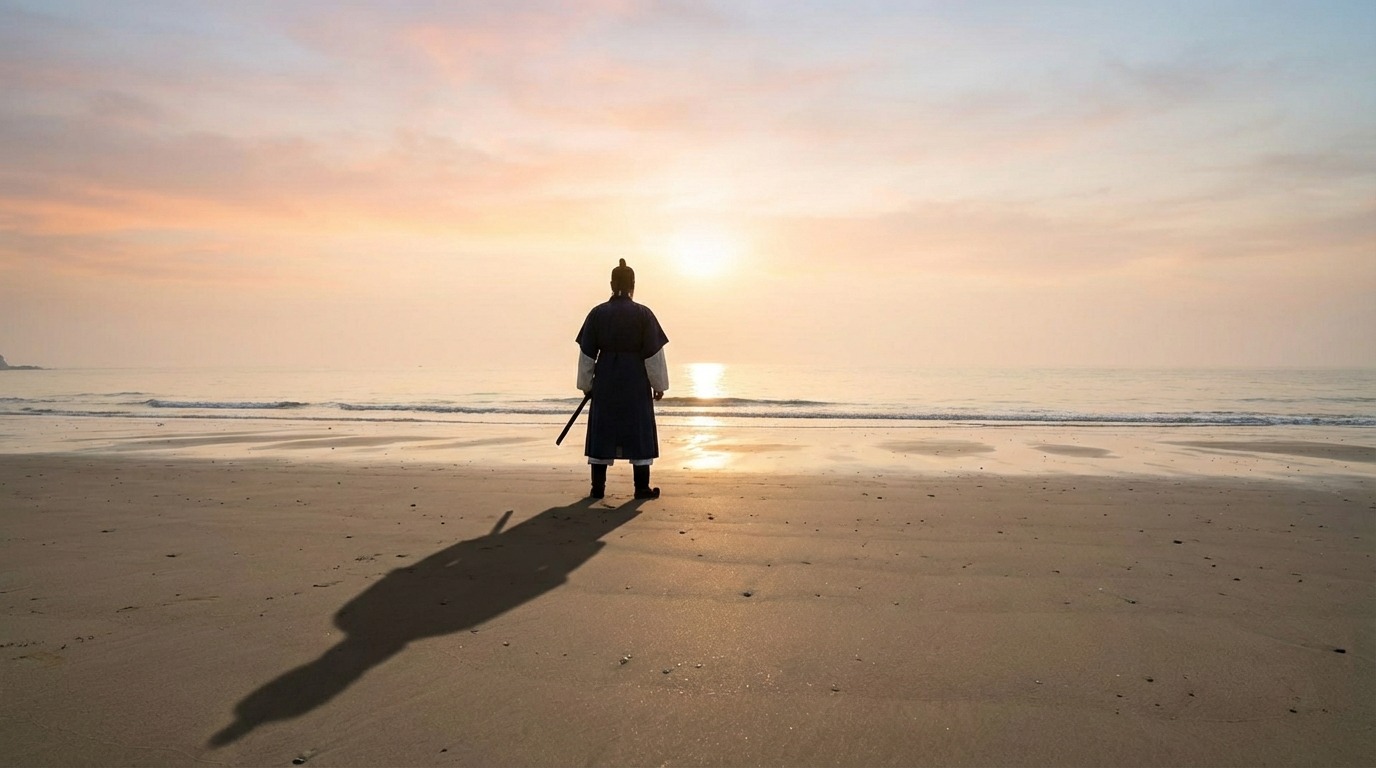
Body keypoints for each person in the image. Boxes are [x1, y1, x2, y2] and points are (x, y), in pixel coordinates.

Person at [576, 259, 670, 499]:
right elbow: (653, 353)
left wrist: (587, 385)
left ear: (611, 283)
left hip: (606, 376)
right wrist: (659, 385)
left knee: (602, 428)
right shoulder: (643, 314)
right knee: (638, 428)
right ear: (633, 285)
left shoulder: (597, 313)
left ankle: (598, 488)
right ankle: (641, 488)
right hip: (634, 378)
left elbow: (587, 354)